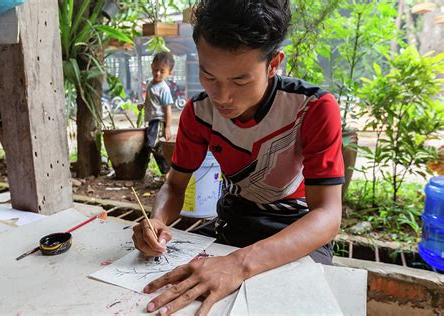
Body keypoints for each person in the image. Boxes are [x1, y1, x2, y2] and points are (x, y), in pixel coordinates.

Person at [132, 1, 344, 314]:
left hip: (296, 231)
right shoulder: (199, 113)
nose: (221, 96)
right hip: (234, 222)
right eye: (208, 75)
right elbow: (175, 186)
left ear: (273, 64)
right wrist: (159, 220)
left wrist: (239, 264)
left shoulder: (311, 109)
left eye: (240, 80)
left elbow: (327, 215)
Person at [138, 51, 175, 174]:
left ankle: (168, 171)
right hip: (151, 121)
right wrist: (143, 105)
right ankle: (161, 170)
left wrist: (167, 127)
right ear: (151, 67)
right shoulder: (150, 83)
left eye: (162, 71)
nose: (157, 73)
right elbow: (152, 101)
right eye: (155, 69)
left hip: (158, 121)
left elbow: (167, 109)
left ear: (169, 73)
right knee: (150, 144)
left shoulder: (164, 89)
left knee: (154, 145)